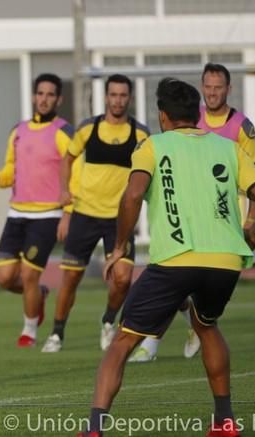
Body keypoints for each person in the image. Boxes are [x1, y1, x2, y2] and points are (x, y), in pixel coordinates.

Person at [77, 77, 255, 437]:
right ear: (197, 114)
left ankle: (93, 428)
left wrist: (120, 246)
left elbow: (131, 196)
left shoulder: (152, 146)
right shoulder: (228, 148)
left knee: (123, 340)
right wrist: (250, 236)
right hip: (224, 261)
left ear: (163, 116)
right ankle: (224, 422)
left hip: (175, 259)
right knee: (206, 326)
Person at [133, 63, 255, 362]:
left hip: (218, 216)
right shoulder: (189, 116)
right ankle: (159, 340)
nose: (213, 92)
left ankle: (165, 336)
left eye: (218, 87)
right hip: (186, 207)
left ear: (229, 90)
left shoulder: (241, 127)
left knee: (182, 278)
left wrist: (251, 225)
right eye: (208, 86)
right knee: (179, 276)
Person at [40, 74, 149, 353]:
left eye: (123, 95)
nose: (117, 100)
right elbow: (68, 159)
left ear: (130, 98)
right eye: (113, 94)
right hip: (84, 215)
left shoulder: (141, 134)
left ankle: (108, 322)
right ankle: (57, 333)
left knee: (123, 278)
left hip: (120, 220)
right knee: (71, 278)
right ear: (106, 97)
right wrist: (64, 190)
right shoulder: (89, 128)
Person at [0, 73, 74, 347]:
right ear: (34, 96)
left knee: (29, 275)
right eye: (40, 94)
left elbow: (74, 174)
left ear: (59, 99)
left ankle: (29, 332)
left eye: (50, 94)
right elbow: (12, 168)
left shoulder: (63, 132)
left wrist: (67, 212)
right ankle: (39, 296)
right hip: (17, 214)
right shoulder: (18, 130)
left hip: (46, 216)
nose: (44, 99)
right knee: (5, 278)